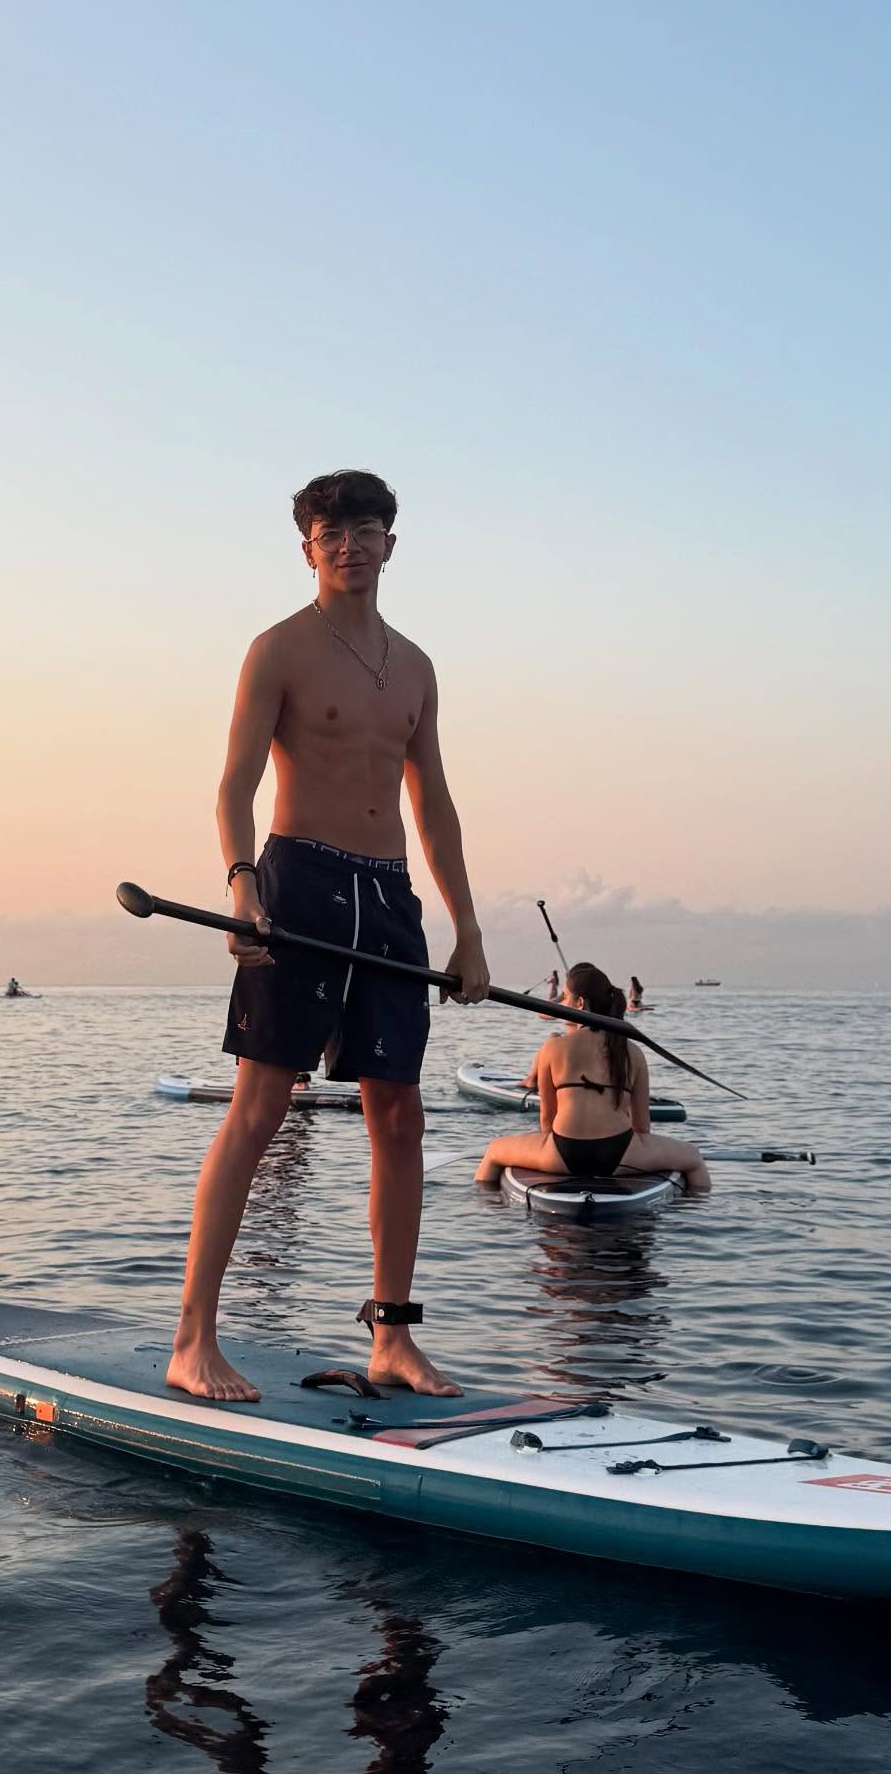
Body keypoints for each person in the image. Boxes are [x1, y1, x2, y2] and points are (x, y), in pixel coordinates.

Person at [168, 469, 489, 1404]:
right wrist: (242, 886)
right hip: (298, 882)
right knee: (260, 1106)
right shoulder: (278, 650)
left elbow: (435, 805)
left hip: (387, 896)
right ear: (307, 549)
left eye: (365, 529)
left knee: (401, 1114)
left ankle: (393, 1339)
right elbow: (233, 786)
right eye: (330, 532)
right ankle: (193, 1341)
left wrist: (468, 930)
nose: (349, 545)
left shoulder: (416, 666)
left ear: (391, 542)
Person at [474, 962, 710, 1192]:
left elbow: (547, 1119)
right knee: (694, 1159)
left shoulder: (552, 1047)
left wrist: (547, 1157)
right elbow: (642, 1127)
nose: (562, 1005)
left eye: (565, 998)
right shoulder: (633, 1051)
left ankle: (487, 1208)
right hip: (620, 1153)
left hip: (563, 1151)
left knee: (494, 1151)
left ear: (580, 1003)